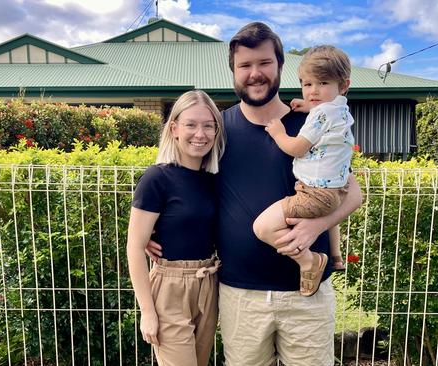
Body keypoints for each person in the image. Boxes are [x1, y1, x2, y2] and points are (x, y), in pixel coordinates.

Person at [147, 23, 362, 365]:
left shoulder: (309, 124)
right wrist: (156, 230)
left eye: (264, 63)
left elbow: (352, 192)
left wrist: (317, 226)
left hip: (306, 296)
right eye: (245, 65)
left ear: (279, 66)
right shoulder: (217, 130)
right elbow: (184, 187)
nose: (255, 73)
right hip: (239, 296)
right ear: (233, 71)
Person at [127, 89, 226, 366]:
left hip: (208, 282)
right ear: (174, 128)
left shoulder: (213, 179)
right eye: (191, 125)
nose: (200, 134)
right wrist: (147, 311)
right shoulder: (156, 178)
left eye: (208, 126)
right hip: (170, 289)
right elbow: (134, 247)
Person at [253, 45, 355, 297]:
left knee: (263, 227)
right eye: (307, 84)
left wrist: (278, 133)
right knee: (330, 213)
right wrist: (311, 107)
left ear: (343, 86)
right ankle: (336, 255)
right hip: (336, 188)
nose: (313, 91)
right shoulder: (340, 109)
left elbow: (297, 148)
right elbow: (325, 114)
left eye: (322, 83)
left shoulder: (321, 115)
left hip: (315, 193)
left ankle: (309, 261)